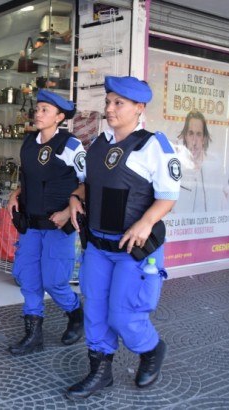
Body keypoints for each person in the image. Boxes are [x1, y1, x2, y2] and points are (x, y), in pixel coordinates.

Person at [65, 76, 181, 400]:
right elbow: (89, 184)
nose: (110, 108)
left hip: (134, 248)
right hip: (99, 246)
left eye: (119, 103)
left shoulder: (153, 145)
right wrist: (76, 197)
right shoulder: (100, 143)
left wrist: (147, 221)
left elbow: (168, 196)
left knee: (124, 314)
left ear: (139, 108)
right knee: (96, 310)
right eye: (108, 102)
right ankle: (100, 372)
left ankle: (151, 349)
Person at [6, 89, 86, 356]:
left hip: (57, 225)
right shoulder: (29, 143)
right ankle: (33, 334)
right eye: (37, 108)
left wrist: (68, 209)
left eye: (45, 110)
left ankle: (76, 315)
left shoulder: (71, 145)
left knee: (54, 281)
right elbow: (27, 177)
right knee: (27, 277)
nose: (38, 114)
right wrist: (16, 194)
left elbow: (87, 183)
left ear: (59, 117)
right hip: (30, 223)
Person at [173, 110, 229, 212]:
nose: (194, 141)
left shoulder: (217, 166)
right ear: (185, 136)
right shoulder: (176, 166)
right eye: (190, 133)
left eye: (198, 134)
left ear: (204, 138)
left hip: (209, 225)